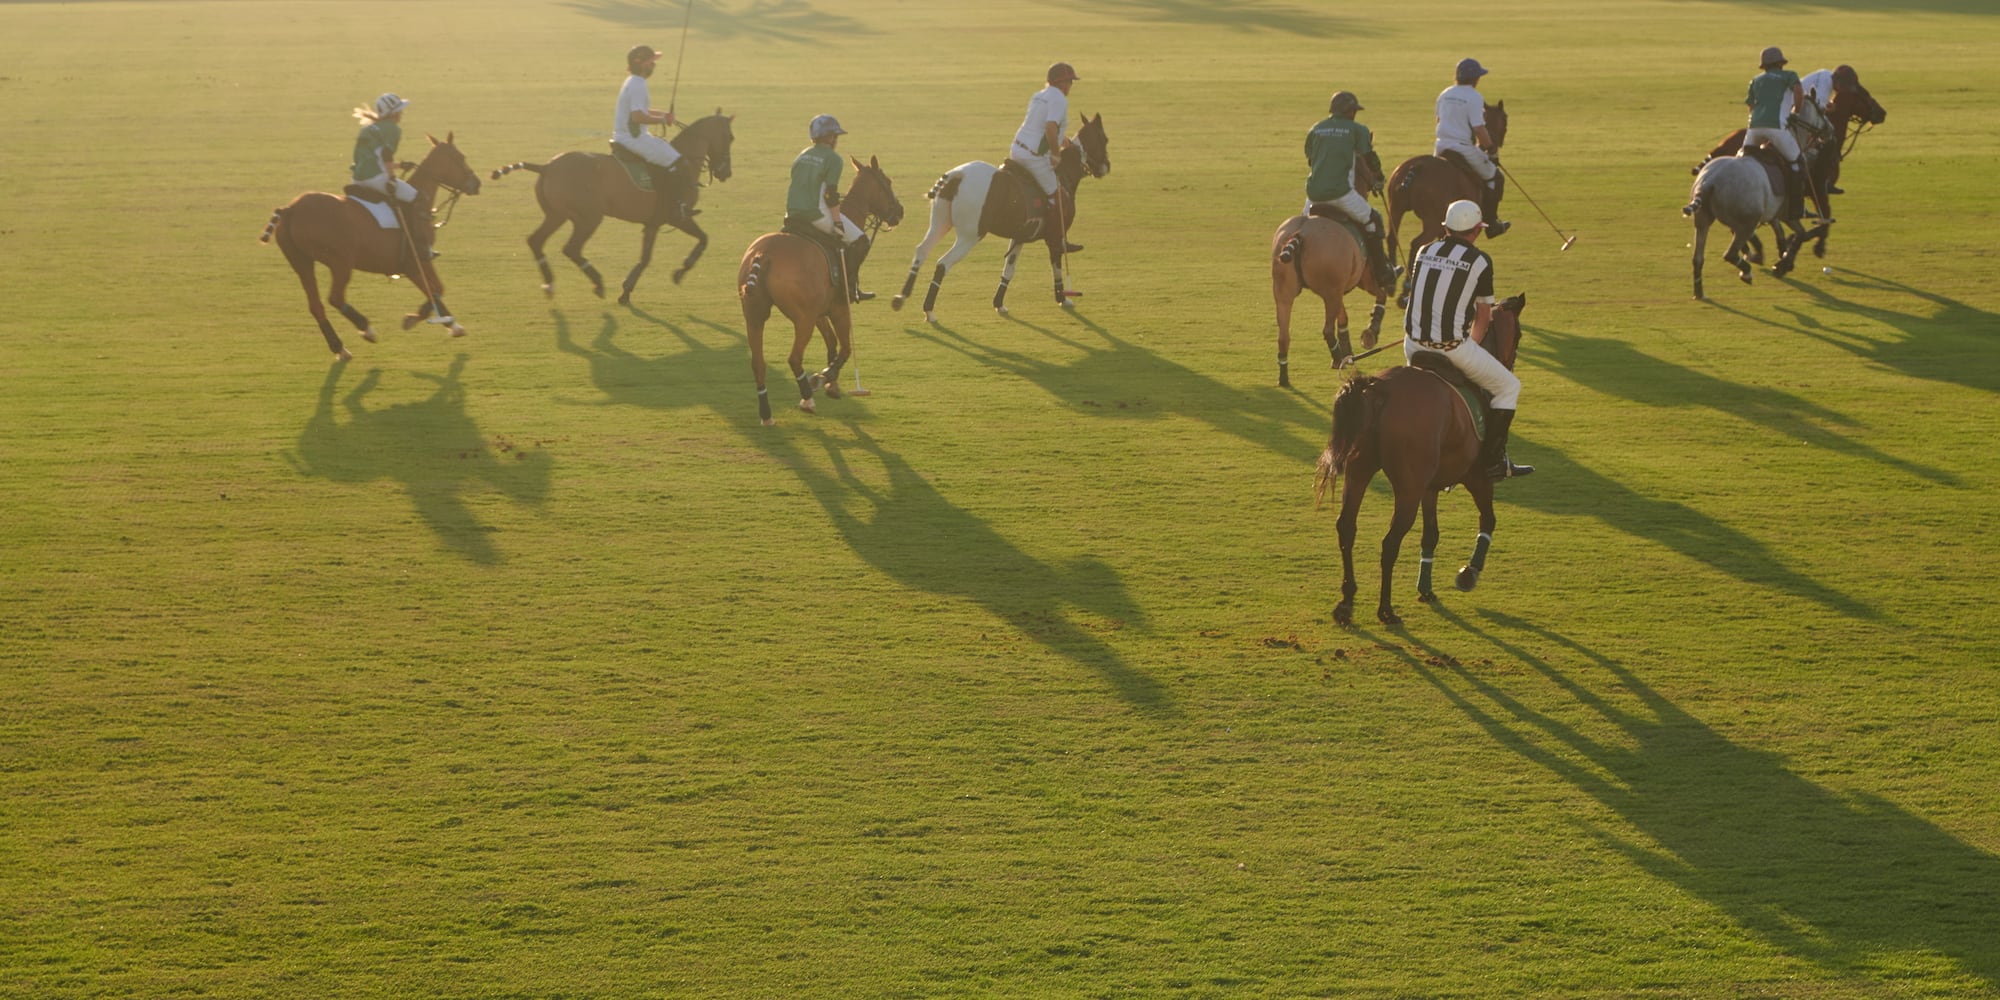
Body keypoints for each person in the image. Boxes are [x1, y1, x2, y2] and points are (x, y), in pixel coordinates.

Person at [1403, 199, 1531, 481]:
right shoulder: (1480, 261)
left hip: (1412, 345)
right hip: (1452, 350)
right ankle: (1493, 461)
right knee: (1509, 386)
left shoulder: (1424, 250)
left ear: (1446, 228)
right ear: (1476, 231)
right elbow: (1483, 317)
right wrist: (1471, 344)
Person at [1304, 90, 1396, 291]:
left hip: (1313, 196)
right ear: (1349, 112)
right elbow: (1370, 158)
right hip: (1341, 194)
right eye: (1354, 111)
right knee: (1374, 219)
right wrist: (1379, 178)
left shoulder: (1316, 129)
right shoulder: (1358, 130)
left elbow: (1311, 159)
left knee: (1301, 228)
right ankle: (1382, 273)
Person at [784, 114, 873, 303]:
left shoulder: (802, 156)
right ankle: (849, 288)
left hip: (791, 214)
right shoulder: (833, 159)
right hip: (815, 214)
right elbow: (830, 196)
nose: (836, 140)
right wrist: (838, 222)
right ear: (831, 137)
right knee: (861, 241)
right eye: (835, 136)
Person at [612, 43, 693, 223]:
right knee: (678, 161)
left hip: (628, 136)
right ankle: (674, 208)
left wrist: (664, 115)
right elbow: (638, 116)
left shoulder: (632, 81)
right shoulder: (638, 84)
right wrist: (663, 120)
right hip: (633, 139)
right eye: (651, 62)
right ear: (642, 64)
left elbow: (642, 111)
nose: (654, 65)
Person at [1008, 62, 1083, 254]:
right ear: (1062, 83)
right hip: (1033, 158)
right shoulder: (1059, 99)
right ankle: (1057, 240)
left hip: (1016, 151)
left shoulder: (1039, 95)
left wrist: (1063, 140)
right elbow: (1050, 127)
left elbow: (1039, 127)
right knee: (1060, 198)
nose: (1071, 86)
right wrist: (1056, 155)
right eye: (1070, 81)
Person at [350, 93, 432, 264]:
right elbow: (386, 155)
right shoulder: (393, 129)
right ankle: (418, 246)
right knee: (418, 198)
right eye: (400, 111)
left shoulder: (368, 129)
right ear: (393, 113)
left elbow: (371, 158)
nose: (402, 114)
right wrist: (392, 178)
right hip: (376, 179)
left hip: (358, 179)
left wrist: (399, 165)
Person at [1434, 58, 1510, 237]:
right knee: (1495, 177)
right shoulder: (1474, 97)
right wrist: (1491, 150)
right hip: (1463, 148)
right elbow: (1478, 128)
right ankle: (1492, 224)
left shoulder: (1445, 93)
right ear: (1475, 78)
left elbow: (1438, 120)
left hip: (1440, 147)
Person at [1744, 46, 1808, 222]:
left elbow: (1751, 106)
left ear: (1764, 65)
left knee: (1742, 159)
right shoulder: (1789, 75)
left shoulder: (1756, 80)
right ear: (1780, 63)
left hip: (1754, 128)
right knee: (1797, 162)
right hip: (1777, 128)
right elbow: (1798, 91)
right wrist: (1796, 112)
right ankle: (1796, 209)